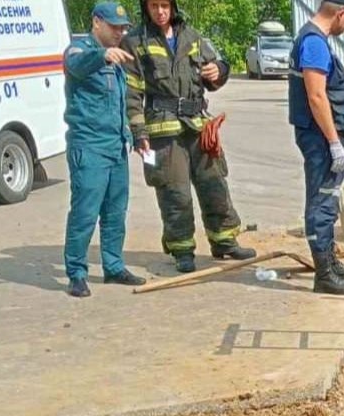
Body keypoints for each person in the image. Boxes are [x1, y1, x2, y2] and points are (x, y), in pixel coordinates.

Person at [122, 0, 255, 274]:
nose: (160, 12)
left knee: (214, 183)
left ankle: (224, 241)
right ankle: (182, 249)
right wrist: (138, 133)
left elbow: (216, 72)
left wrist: (219, 70)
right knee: (174, 192)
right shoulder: (135, 42)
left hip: (198, 126)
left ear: (173, 7)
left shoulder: (192, 37)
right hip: (162, 132)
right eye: (153, 6)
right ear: (145, 8)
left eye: (164, 5)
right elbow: (131, 95)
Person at [62, 2, 144, 298]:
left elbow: (120, 102)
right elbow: (78, 64)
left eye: (123, 28)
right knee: (85, 213)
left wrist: (135, 135)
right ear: (96, 22)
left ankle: (113, 266)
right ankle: (77, 273)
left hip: (115, 146)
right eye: (114, 27)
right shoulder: (79, 50)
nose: (120, 33)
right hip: (90, 147)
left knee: (115, 213)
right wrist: (102, 55)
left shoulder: (118, 56)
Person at [288, 0, 344, 296]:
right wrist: (334, 142)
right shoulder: (314, 43)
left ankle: (329, 262)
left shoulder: (316, 40)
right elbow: (317, 96)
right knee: (321, 200)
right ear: (341, 13)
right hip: (319, 138)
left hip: (321, 137)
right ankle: (324, 275)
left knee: (328, 198)